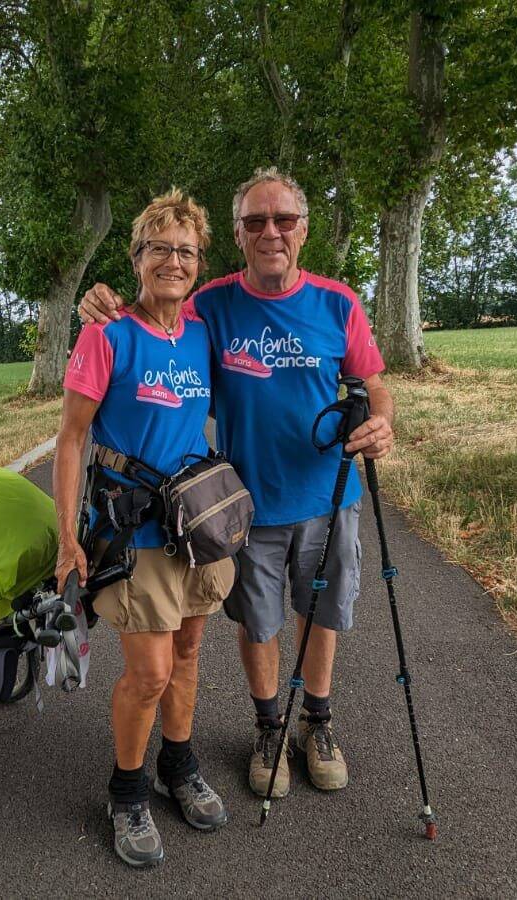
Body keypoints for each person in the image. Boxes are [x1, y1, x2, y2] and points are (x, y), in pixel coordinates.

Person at [79, 167, 395, 801]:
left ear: (303, 231)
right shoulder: (212, 304)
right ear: (238, 233)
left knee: (318, 613)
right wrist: (100, 301)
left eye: (283, 220)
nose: (270, 231)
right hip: (240, 506)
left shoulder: (338, 303)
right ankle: (268, 727)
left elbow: (374, 382)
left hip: (329, 499)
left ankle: (319, 723)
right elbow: (153, 307)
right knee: (260, 621)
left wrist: (382, 420)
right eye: (256, 221)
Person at [54, 188, 235, 869]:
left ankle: (177, 766)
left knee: (187, 652)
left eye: (186, 251)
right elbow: (71, 439)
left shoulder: (200, 333)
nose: (174, 260)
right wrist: (69, 535)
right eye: (160, 247)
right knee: (151, 671)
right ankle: (126, 791)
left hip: (196, 523)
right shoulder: (107, 332)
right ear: (137, 257)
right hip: (132, 531)